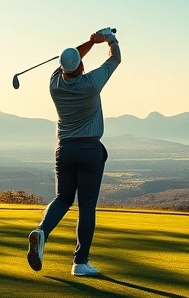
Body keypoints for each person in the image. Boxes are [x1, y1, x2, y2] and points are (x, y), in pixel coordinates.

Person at [27, 27, 120, 277]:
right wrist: (108, 39)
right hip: (89, 149)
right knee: (87, 206)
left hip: (64, 149)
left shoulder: (55, 82)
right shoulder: (90, 83)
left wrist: (90, 42)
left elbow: (73, 58)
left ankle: (42, 232)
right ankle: (80, 263)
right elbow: (115, 59)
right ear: (80, 66)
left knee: (63, 199)